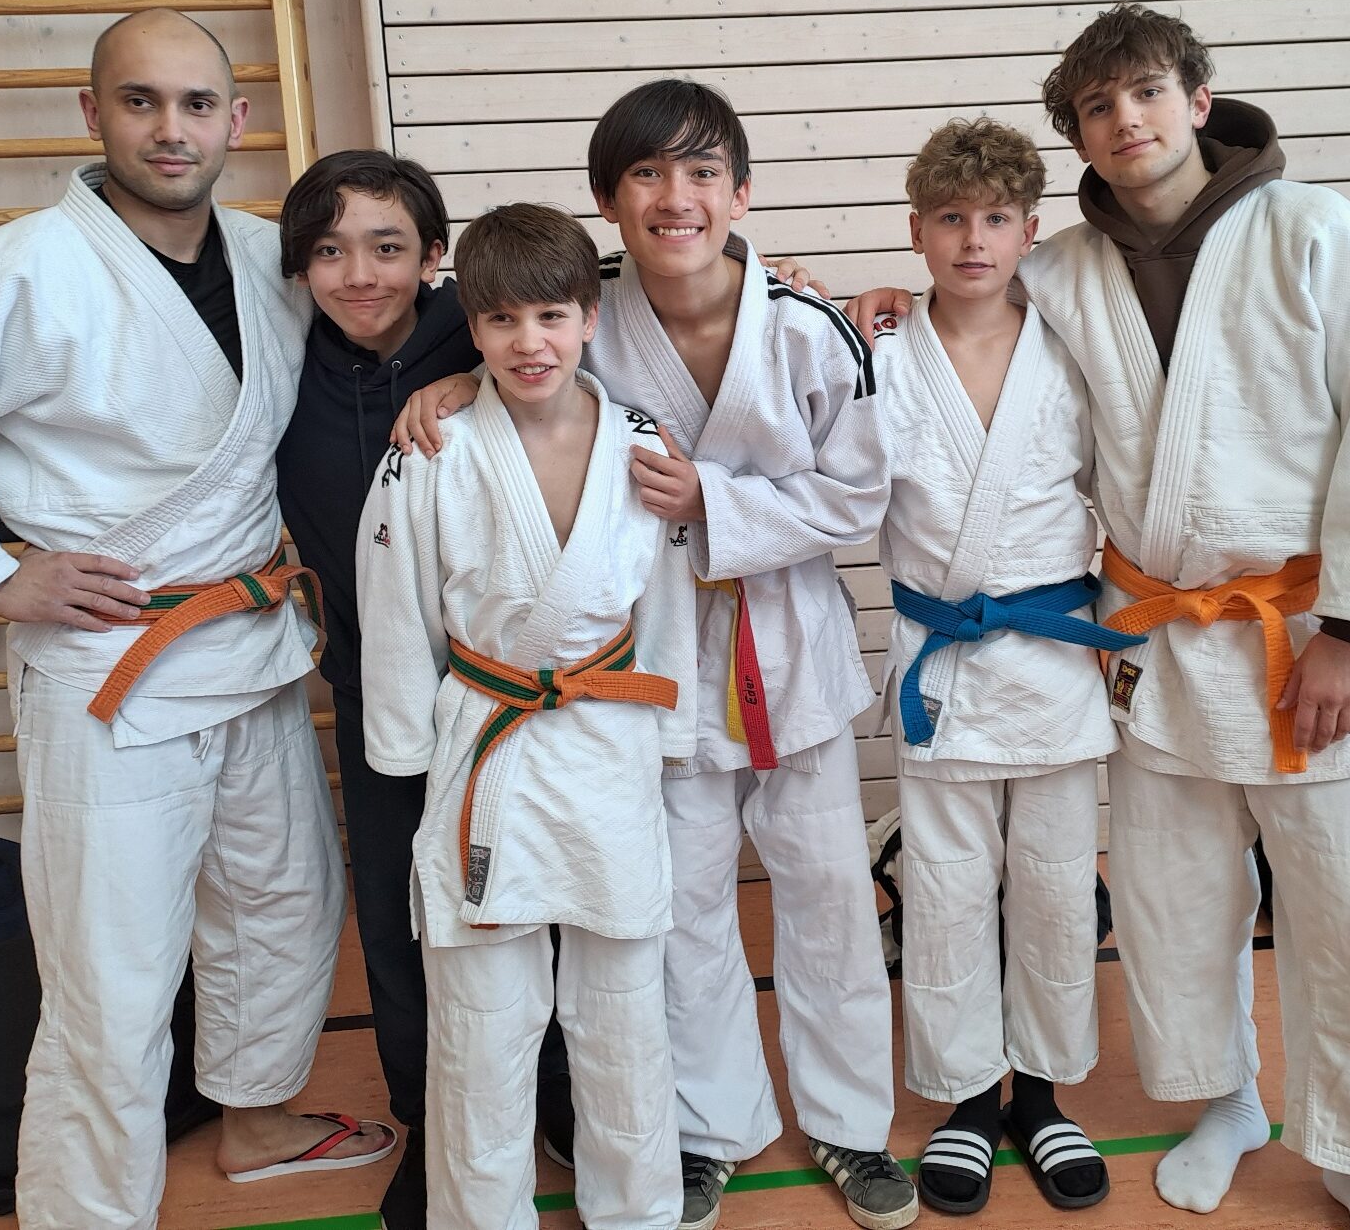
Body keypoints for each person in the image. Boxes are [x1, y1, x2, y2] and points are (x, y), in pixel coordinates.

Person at [0, 9, 390, 1228]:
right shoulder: (4, 272)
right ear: (92, 112)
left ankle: (258, 1117)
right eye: (140, 101)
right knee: (111, 963)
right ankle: (84, 1206)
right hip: (110, 660)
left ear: (236, 119)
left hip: (252, 644)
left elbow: (417, 318)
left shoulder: (276, 260)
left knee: (281, 904)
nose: (171, 129)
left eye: (196, 104)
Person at [850, 3, 1350, 1230]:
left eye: (1148, 92)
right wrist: (877, 302)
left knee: (1348, 904)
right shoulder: (1062, 266)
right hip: (1149, 638)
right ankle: (1225, 1099)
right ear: (1076, 133)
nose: (1126, 120)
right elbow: (968, 316)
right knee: (1177, 901)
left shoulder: (1319, 232)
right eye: (1096, 106)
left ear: (1197, 100)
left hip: (1298, 634)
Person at [394, 79, 915, 1230]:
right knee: (682, 910)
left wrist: (714, 500)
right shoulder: (586, 307)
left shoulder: (806, 324)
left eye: (700, 172)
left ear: (741, 192)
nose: (675, 197)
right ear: (608, 197)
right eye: (646, 173)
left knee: (828, 895)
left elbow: (859, 497)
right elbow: (521, 358)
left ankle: (848, 1123)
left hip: (790, 653)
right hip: (653, 668)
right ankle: (710, 1128)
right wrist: (457, 384)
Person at [359, 202, 695, 1230]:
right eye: (501, 319)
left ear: (590, 316)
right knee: (481, 1019)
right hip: (487, 747)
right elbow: (395, 608)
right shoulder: (432, 449)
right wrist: (405, 746)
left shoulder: (642, 444)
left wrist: (669, 728)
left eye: (551, 316)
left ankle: (638, 1211)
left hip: (606, 740)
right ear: (471, 326)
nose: (528, 342)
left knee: (624, 1008)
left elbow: (667, 606)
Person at [274, 150, 574, 1227]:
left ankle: (558, 1095)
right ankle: (431, 1119)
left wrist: (470, 378)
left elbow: (618, 288)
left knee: (546, 900)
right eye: (329, 250)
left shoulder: (484, 328)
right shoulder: (280, 358)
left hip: (522, 696)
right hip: (376, 692)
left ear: (434, 257)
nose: (360, 274)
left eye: (388, 247)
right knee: (402, 925)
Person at [872, 116, 1145, 1216]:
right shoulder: (878, 354)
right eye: (951, 218)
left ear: (1031, 231)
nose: (973, 240)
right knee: (942, 891)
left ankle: (1039, 1091)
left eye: (994, 219)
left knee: (1053, 886)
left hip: (1051, 657)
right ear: (917, 231)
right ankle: (963, 1099)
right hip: (940, 663)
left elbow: (1125, 483)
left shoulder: (1072, 346)